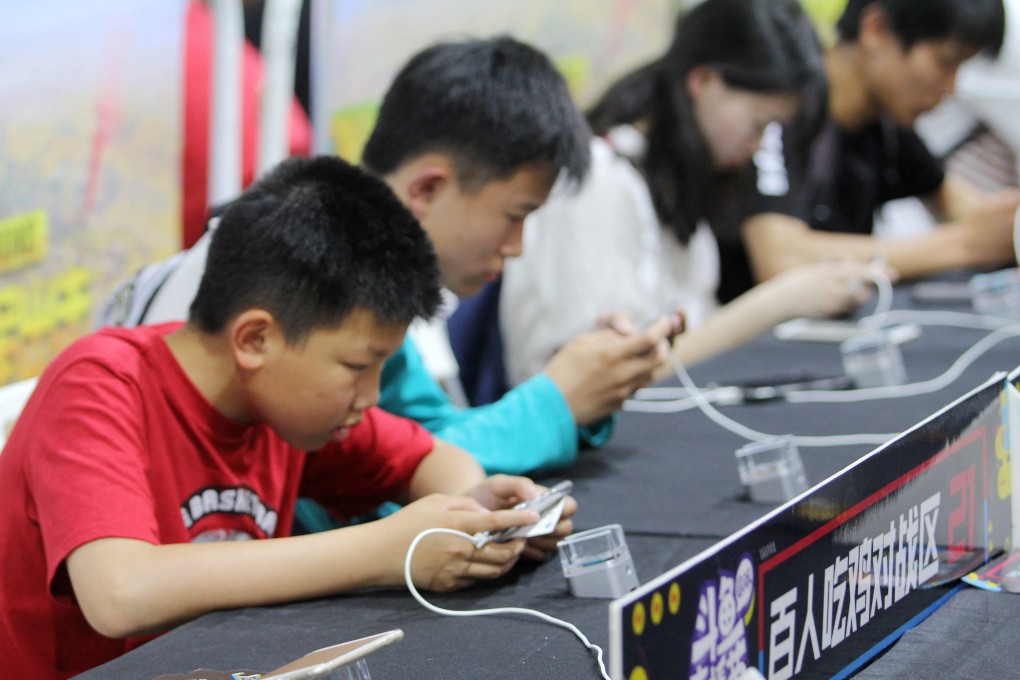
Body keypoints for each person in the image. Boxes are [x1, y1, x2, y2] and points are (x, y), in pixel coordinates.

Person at [0, 156, 575, 679]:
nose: (371, 396)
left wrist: (471, 508)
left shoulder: (279, 404)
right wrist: (385, 551)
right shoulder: (100, 382)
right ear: (256, 339)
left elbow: (433, 458)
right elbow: (121, 592)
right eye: (357, 365)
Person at [101, 37, 676, 479]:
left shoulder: (377, 275)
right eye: (514, 215)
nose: (517, 247)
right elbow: (347, 489)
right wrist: (559, 399)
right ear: (426, 189)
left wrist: (580, 394)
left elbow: (419, 445)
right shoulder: (284, 272)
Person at [500, 0, 880, 386]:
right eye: (757, 124)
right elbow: (601, 379)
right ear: (702, 82)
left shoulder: (680, 179)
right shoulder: (598, 182)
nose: (756, 146)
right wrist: (778, 302)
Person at [723, 0, 1019, 301]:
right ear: (876, 28)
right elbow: (780, 259)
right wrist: (966, 245)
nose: (951, 87)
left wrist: (1005, 225)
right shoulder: (784, 106)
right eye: (945, 62)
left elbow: (963, 209)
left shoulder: (884, 124)